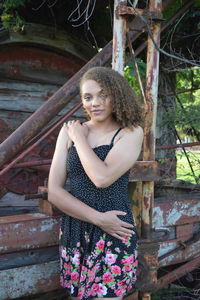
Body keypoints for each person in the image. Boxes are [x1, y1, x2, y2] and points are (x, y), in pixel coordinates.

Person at [48, 66, 144, 300]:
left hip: (114, 230)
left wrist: (80, 140)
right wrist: (97, 218)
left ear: (117, 95)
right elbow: (54, 191)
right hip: (77, 229)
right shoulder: (68, 130)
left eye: (103, 95)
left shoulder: (130, 132)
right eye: (88, 97)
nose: (95, 103)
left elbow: (101, 178)